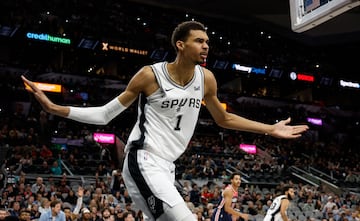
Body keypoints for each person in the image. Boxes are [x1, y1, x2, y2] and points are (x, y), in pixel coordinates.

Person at [21, 20, 309, 221]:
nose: (206, 46)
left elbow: (224, 119)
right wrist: (55, 108)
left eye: (207, 42)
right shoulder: (150, 75)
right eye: (199, 41)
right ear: (181, 45)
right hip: (143, 160)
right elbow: (106, 114)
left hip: (168, 167)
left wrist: (270, 129)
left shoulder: (206, 79)